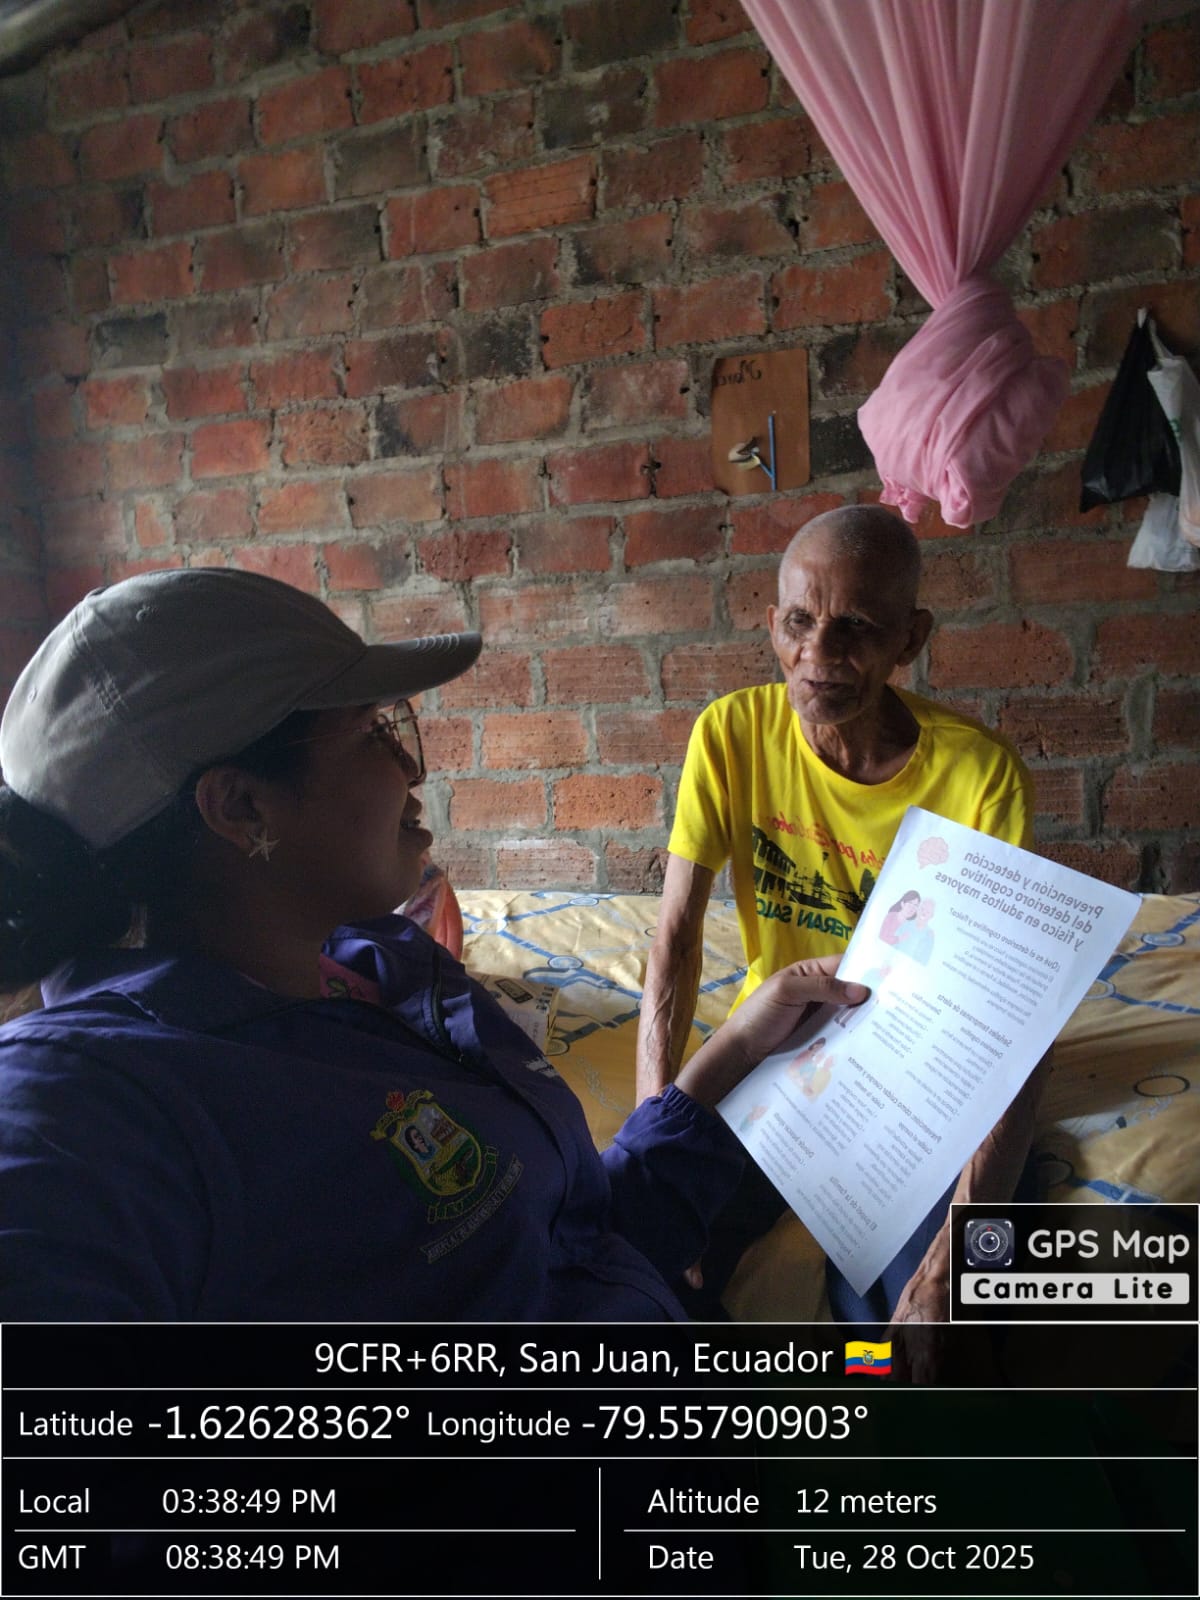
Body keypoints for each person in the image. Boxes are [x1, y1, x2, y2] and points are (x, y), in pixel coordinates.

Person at [0, 567, 866, 1322]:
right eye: (372, 733)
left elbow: (567, 1237)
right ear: (241, 807)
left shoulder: (386, 969)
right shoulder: (95, 1104)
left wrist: (737, 1047)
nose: (412, 772)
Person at [635, 504, 1043, 1327]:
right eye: (799, 622)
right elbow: (675, 939)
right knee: (651, 1256)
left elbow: (1008, 1019)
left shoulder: (979, 776)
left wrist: (946, 1267)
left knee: (919, 1312)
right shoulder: (731, 734)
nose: (819, 655)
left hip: (914, 1071)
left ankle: (870, 1396)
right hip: (774, 1049)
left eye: (856, 627)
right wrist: (657, 1135)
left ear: (910, 639)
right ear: (772, 625)